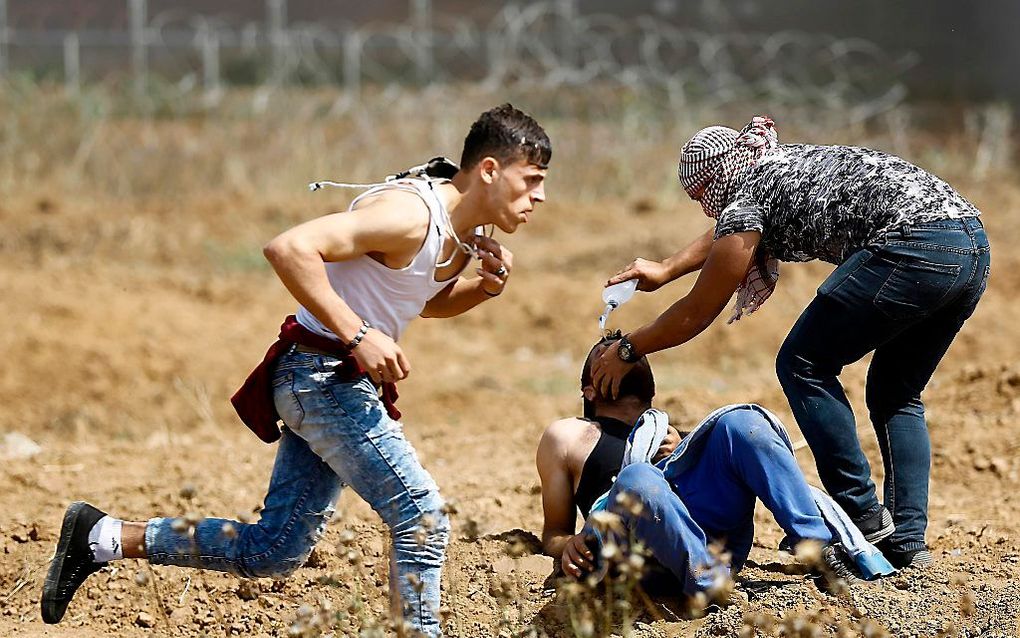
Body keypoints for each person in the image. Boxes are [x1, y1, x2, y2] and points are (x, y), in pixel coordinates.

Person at [42, 104, 551, 635]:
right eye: (532, 179)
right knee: (421, 515)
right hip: (320, 377)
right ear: (490, 170)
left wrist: (485, 288)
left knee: (276, 550)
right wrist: (359, 334)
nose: (540, 196)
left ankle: (101, 536)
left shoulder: (463, 235)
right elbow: (289, 247)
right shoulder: (412, 216)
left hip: (337, 383)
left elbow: (420, 300)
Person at [592, 116, 991, 570]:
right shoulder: (773, 168)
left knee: (803, 363)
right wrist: (666, 268)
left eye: (704, 199)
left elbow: (697, 310)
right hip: (969, 243)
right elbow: (731, 231)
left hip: (913, 245)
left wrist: (630, 349)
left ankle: (860, 512)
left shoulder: (746, 201)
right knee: (897, 392)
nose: (708, 209)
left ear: (712, 185)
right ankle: (906, 541)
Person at [537, 335, 849, 596]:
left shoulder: (679, 438)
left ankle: (818, 548)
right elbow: (554, 532)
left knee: (742, 421)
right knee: (639, 476)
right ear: (589, 390)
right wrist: (569, 545)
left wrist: (683, 446)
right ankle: (708, 583)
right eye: (602, 353)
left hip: (709, 539)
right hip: (630, 550)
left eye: (628, 349)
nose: (618, 348)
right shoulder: (568, 436)